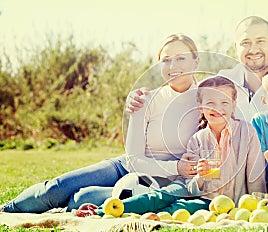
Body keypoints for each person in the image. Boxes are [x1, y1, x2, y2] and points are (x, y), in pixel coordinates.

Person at [0, 34, 201, 213]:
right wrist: (177, 166)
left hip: (158, 183)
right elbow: (133, 160)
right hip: (127, 167)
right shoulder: (144, 100)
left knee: (81, 198)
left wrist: (181, 171)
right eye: (165, 60)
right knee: (55, 189)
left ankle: (75, 208)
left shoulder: (209, 100)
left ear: (196, 62)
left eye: (181, 58)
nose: (173, 66)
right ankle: (7, 210)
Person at [129, 16, 268, 157]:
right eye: (245, 43)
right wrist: (142, 97)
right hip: (233, 177)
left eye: (260, 41)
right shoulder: (224, 81)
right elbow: (186, 90)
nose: (253, 49)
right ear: (235, 47)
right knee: (109, 174)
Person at [93, 76, 266, 216]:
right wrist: (200, 176)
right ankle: (102, 211)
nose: (217, 108)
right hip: (197, 193)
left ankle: (152, 217)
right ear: (200, 106)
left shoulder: (246, 132)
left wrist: (256, 206)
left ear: (234, 105)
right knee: (159, 196)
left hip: (211, 204)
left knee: (176, 210)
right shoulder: (198, 139)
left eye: (225, 102)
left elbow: (255, 174)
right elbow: (191, 184)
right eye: (210, 103)